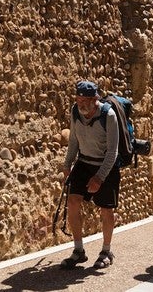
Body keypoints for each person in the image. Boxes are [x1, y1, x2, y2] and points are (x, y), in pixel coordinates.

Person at [59, 80, 120, 269]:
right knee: (73, 201)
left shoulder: (108, 115)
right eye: (78, 99)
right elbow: (73, 140)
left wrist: (99, 177)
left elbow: (113, 152)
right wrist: (67, 164)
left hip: (105, 167)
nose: (80, 104)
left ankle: (106, 251)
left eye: (84, 100)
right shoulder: (75, 111)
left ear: (95, 99)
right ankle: (78, 251)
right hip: (84, 163)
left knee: (106, 209)